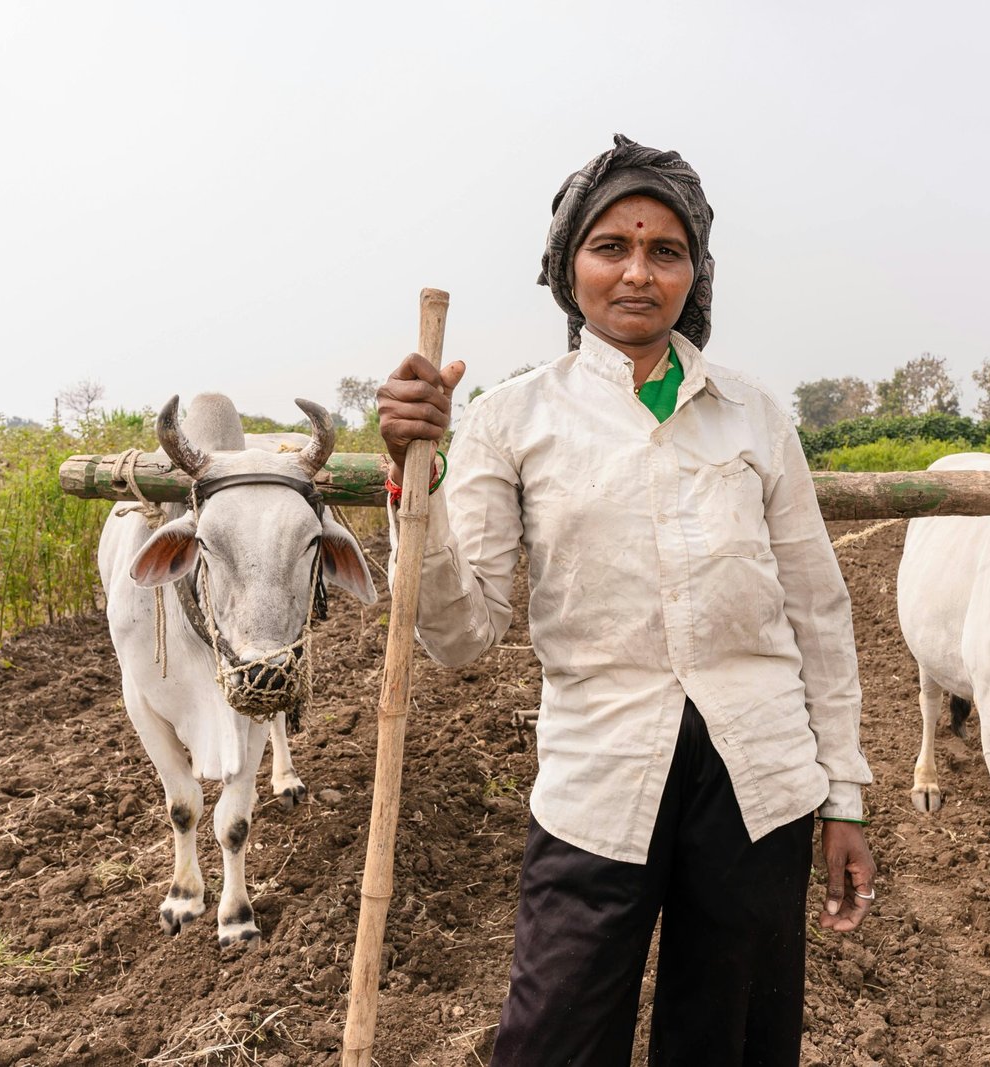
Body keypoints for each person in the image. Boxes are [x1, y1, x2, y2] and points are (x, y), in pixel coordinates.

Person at [377, 134, 875, 1067]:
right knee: (553, 1037)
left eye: (665, 250)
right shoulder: (512, 420)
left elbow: (820, 612)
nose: (637, 272)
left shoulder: (754, 416)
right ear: (571, 270)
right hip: (599, 777)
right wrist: (419, 486)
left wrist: (842, 795)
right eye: (611, 248)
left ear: (697, 272)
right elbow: (459, 632)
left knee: (729, 1039)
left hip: (756, 781)